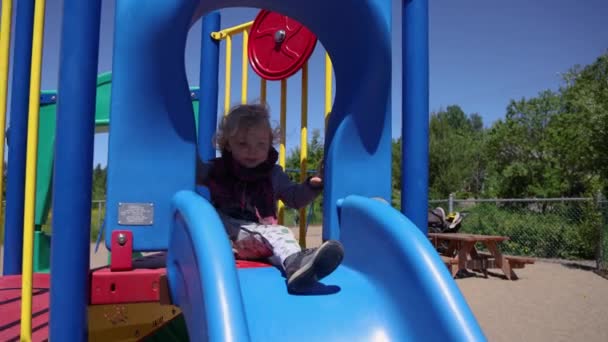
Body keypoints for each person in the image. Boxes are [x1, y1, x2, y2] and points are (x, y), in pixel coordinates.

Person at [196, 103, 344, 293]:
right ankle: (297, 263)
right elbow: (190, 169)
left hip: (259, 243)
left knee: (278, 240)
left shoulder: (273, 174)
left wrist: (312, 185)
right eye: (243, 144)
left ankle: (301, 268)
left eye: (261, 145)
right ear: (227, 145)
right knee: (279, 233)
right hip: (225, 240)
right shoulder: (216, 170)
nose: (253, 151)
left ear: (269, 144)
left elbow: (294, 198)